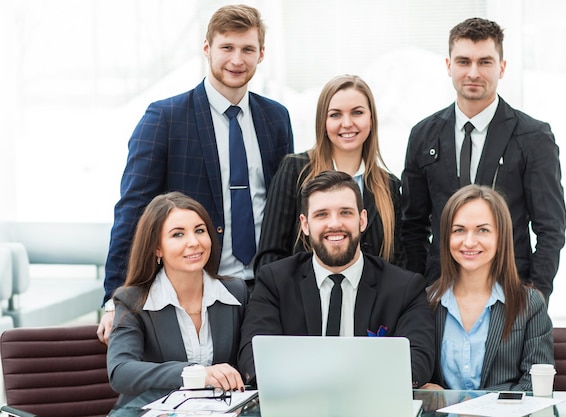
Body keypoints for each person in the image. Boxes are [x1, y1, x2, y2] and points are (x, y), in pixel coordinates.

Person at [98, 4, 294, 343]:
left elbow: (284, 207)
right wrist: (116, 298)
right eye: (227, 48)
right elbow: (133, 212)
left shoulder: (276, 118)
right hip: (195, 290)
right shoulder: (165, 117)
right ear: (207, 48)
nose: (237, 59)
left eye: (248, 49)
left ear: (261, 54)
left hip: (264, 289)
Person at [401, 17, 566, 301]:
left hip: (510, 294)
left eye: (485, 62)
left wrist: (535, 298)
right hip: (440, 295)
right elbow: (412, 225)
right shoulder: (423, 135)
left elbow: (551, 228)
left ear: (502, 68)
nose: (473, 72)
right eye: (464, 61)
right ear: (448, 66)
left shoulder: (533, 137)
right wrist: (419, 295)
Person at [239, 171, 435, 387]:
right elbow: (254, 356)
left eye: (345, 213)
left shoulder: (404, 288)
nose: (334, 224)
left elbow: (418, 361)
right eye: (322, 214)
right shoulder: (274, 282)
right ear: (305, 224)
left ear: (362, 220)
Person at [107, 191, 248, 407]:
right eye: (178, 234)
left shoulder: (236, 292)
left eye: (200, 231)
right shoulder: (132, 300)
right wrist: (195, 373)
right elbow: (120, 371)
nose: (194, 242)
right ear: (157, 248)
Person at [254, 74, 405, 273]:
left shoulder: (389, 186)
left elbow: (399, 263)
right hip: (302, 301)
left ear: (371, 119)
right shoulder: (295, 171)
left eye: (357, 112)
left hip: (373, 302)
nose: (347, 123)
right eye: (335, 115)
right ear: (323, 122)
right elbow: (270, 256)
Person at [423, 185, 553, 391]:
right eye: (459, 230)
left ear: (501, 238)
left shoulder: (529, 305)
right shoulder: (426, 302)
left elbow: (534, 386)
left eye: (482, 230)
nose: (469, 241)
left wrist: (468, 405)